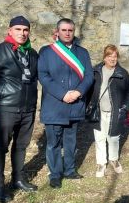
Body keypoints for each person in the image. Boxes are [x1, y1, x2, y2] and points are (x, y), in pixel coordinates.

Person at [0, 16, 38, 202]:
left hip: (28, 109)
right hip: (5, 109)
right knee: (1, 147)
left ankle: (18, 179)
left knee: (21, 146)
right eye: (18, 29)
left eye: (25, 29)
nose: (22, 33)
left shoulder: (33, 54)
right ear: (10, 30)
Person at [38, 18, 93, 189]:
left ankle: (69, 170)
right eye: (64, 30)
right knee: (54, 142)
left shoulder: (82, 53)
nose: (67, 33)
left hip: (75, 104)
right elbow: (43, 75)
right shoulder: (47, 52)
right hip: (55, 104)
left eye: (70, 30)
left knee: (71, 141)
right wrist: (63, 94)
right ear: (57, 31)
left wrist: (78, 92)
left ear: (74, 31)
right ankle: (55, 174)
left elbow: (89, 76)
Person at [87, 44, 129, 177]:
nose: (112, 59)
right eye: (109, 56)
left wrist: (125, 108)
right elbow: (88, 89)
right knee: (100, 137)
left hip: (115, 112)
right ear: (104, 57)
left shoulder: (122, 73)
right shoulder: (96, 71)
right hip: (99, 111)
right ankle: (101, 162)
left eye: (115, 56)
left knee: (113, 137)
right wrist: (88, 104)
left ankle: (113, 159)